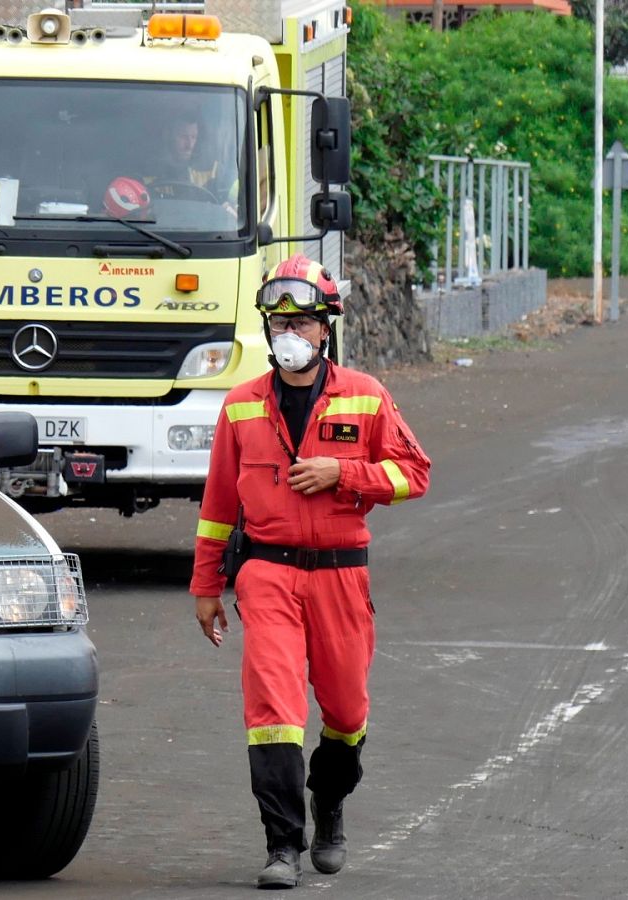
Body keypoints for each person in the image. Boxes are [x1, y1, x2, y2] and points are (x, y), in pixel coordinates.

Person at [190, 255, 431, 889]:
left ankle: (330, 801)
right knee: (273, 709)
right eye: (278, 323)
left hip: (341, 577)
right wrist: (207, 585)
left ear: (326, 327)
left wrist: (343, 473)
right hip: (267, 573)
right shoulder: (241, 407)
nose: (288, 334)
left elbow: (416, 474)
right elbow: (217, 506)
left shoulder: (366, 395)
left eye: (300, 322)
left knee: (346, 713)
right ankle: (282, 846)